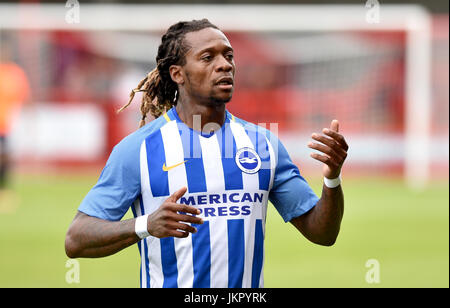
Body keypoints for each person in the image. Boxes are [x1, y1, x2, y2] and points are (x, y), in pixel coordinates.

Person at [65, 19, 348, 288]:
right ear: (177, 74)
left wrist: (332, 179)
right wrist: (146, 225)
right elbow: (77, 239)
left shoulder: (264, 145)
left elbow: (322, 233)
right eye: (208, 57)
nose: (224, 65)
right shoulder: (138, 149)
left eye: (228, 56)